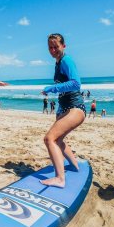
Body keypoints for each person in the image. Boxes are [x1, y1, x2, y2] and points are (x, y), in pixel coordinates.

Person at [41, 33, 86, 188]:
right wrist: (59, 111)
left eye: (56, 46)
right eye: (50, 47)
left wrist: (52, 87)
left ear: (63, 46)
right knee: (58, 140)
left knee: (49, 139)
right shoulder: (58, 63)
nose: (53, 50)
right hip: (65, 108)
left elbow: (75, 84)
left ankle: (60, 179)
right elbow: (64, 91)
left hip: (76, 108)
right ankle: (75, 165)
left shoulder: (67, 60)